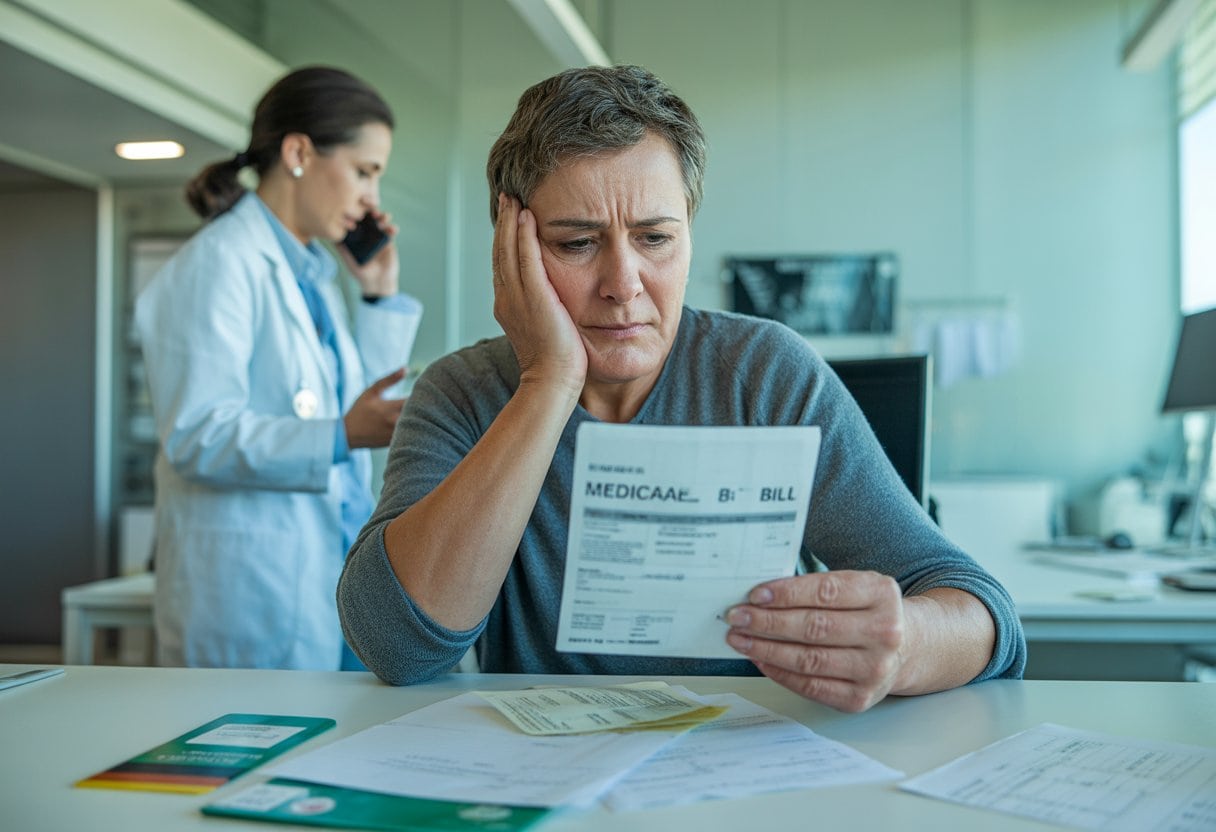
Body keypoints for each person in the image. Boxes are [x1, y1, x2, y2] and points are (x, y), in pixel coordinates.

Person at [338, 65, 1025, 712]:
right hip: (539, 775)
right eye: (576, 243)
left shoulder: (764, 375)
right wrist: (549, 382)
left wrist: (903, 646)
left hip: (738, 765)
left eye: (655, 238)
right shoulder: (461, 394)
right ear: (511, 248)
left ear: (689, 233)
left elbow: (984, 614)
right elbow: (397, 645)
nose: (623, 283)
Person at [136, 66, 422, 670]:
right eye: (364, 171)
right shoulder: (220, 263)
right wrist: (343, 435)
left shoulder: (311, 277)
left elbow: (363, 402)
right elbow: (197, 434)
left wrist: (377, 295)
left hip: (333, 570)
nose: (373, 198)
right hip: (250, 595)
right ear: (298, 152)